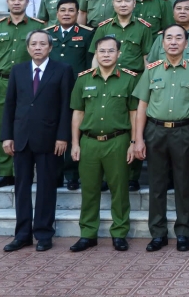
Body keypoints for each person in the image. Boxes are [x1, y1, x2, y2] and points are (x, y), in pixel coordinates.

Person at [0, 30, 76, 253]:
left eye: (43, 44)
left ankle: (43, 233)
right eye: (34, 44)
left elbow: (66, 107)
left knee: (46, 188)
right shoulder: (18, 70)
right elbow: (10, 105)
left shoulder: (62, 70)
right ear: (28, 47)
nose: (38, 47)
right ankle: (22, 235)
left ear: (50, 48)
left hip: (50, 139)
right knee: (22, 187)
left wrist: (63, 136)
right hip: (21, 138)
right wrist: (7, 136)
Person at [133, 25, 189, 253]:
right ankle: (158, 233)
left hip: (184, 132)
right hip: (155, 131)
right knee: (157, 184)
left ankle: (184, 232)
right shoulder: (152, 70)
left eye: (178, 38)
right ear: (162, 43)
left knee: (184, 184)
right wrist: (138, 139)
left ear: (186, 43)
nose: (173, 42)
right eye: (169, 38)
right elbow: (142, 105)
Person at [69, 36, 137, 253]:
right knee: (89, 190)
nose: (106, 55)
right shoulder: (83, 79)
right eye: (102, 51)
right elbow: (77, 113)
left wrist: (134, 142)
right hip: (89, 142)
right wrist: (75, 143)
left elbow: (134, 113)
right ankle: (88, 234)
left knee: (119, 189)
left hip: (118, 141)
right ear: (96, 54)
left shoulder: (129, 79)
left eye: (110, 51)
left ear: (119, 54)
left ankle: (119, 233)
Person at [0, 0, 46, 190]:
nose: (16, 2)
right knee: (3, 127)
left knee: (28, 126)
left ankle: (24, 171)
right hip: (3, 82)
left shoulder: (38, 27)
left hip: (29, 83)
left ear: (28, 2)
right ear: (7, 2)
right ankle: (5, 173)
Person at [45, 0, 94, 190]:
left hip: (77, 89)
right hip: (52, 91)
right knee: (53, 130)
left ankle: (73, 175)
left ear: (77, 13)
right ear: (56, 13)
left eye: (71, 10)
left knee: (76, 132)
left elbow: (90, 64)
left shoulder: (87, 34)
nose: (67, 14)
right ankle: (55, 174)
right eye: (63, 10)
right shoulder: (47, 34)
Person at [90, 0, 154, 74]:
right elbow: (96, 56)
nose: (123, 5)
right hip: (108, 77)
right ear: (113, 3)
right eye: (119, 1)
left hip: (134, 77)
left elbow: (146, 58)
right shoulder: (103, 27)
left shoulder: (144, 28)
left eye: (127, 1)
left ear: (134, 3)